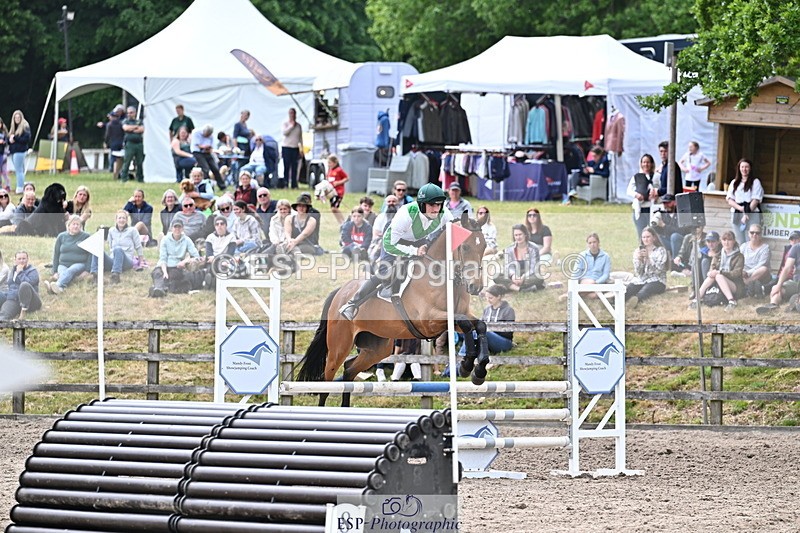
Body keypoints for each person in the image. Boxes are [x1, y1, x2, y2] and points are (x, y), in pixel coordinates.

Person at [339, 183, 452, 320]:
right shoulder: (406, 213)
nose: (436, 209)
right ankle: (352, 304)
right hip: (394, 240)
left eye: (439, 204)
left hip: (418, 239)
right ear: (422, 205)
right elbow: (390, 245)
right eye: (432, 205)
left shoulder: (444, 213)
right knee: (386, 272)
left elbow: (455, 231)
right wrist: (415, 251)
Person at [458, 284, 516, 356]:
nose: (488, 300)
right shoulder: (487, 309)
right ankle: (464, 354)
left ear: (499, 297)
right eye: (487, 297)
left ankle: (463, 355)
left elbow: (508, 331)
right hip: (487, 339)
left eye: (490, 298)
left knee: (484, 332)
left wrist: (490, 331)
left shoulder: (508, 310)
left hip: (504, 341)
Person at [691, 231, 743, 311]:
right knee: (712, 276)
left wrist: (720, 273)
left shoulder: (739, 256)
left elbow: (736, 273)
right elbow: (712, 268)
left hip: (735, 285)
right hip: (718, 282)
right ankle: (697, 299)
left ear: (733, 241)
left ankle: (732, 301)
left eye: (729, 240)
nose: (726, 242)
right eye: (724, 240)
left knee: (719, 276)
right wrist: (711, 273)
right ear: (721, 241)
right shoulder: (718, 255)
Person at [149, 220, 202, 298]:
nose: (177, 229)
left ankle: (158, 289)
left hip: (176, 266)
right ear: (171, 228)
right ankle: (159, 289)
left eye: (179, 227)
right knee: (157, 273)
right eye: (175, 227)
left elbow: (196, 255)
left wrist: (185, 261)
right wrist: (165, 272)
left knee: (173, 276)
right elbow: (163, 258)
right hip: (163, 265)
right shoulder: (165, 239)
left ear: (182, 229)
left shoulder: (187, 240)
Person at [90, 210, 146, 285]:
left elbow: (138, 247)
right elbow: (110, 246)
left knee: (118, 249)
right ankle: (95, 275)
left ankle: (115, 275)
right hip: (113, 259)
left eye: (123, 218)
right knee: (97, 250)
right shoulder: (111, 230)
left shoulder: (132, 230)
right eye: (119, 218)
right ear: (116, 220)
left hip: (126, 261)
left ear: (127, 220)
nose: (121, 220)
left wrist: (141, 262)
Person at [624, 227, 668, 309]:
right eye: (644, 237)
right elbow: (638, 273)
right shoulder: (638, 251)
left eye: (648, 237)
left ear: (654, 238)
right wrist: (639, 261)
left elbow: (659, 270)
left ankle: (635, 301)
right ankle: (613, 303)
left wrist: (648, 259)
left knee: (646, 290)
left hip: (657, 280)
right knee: (629, 288)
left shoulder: (660, 250)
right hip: (642, 279)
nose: (646, 239)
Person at [45, 215, 91, 295]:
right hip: (63, 264)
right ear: (68, 226)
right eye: (73, 224)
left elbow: (91, 254)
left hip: (79, 264)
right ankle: (59, 289)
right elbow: (56, 254)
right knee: (63, 273)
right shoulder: (61, 236)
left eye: (78, 224)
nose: (76, 226)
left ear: (81, 226)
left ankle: (57, 285)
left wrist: (87, 270)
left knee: (70, 270)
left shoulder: (86, 236)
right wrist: (55, 271)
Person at [561, 233, 611, 301]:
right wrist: (573, 284)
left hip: (598, 282)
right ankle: (576, 293)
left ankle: (573, 294)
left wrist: (596, 282)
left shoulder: (606, 256)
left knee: (594, 295)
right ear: (587, 244)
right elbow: (576, 272)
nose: (592, 245)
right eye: (590, 243)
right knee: (592, 292)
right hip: (585, 280)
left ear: (598, 243)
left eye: (594, 242)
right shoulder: (582, 255)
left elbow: (606, 274)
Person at [494, 224, 543, 292]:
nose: (518, 237)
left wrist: (523, 277)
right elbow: (508, 266)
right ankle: (520, 289)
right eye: (516, 235)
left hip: (529, 275)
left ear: (525, 234)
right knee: (496, 276)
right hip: (515, 274)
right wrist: (513, 276)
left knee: (539, 278)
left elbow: (534, 268)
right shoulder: (509, 249)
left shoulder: (534, 248)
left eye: (520, 234)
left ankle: (510, 286)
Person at [759, 234, 800, 315]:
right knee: (777, 288)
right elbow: (787, 268)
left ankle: (795, 302)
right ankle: (772, 306)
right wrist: (778, 285)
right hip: (796, 282)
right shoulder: (796, 248)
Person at [726, 158, 763, 244]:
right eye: (742, 167)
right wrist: (740, 208)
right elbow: (730, 199)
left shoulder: (755, 182)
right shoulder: (734, 182)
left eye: (746, 167)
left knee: (751, 240)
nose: (744, 169)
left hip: (752, 213)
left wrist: (746, 214)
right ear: (739, 168)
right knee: (740, 240)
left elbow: (756, 200)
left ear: (750, 168)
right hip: (737, 213)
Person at [627, 153, 660, 238]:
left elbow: (661, 189)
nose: (646, 164)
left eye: (648, 162)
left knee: (654, 232)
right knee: (641, 233)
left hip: (652, 208)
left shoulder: (657, 176)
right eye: (644, 162)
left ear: (651, 164)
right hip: (640, 208)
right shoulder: (637, 177)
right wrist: (636, 195)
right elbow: (629, 190)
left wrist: (656, 193)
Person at [0, 251, 41, 319]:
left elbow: (28, 284)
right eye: (19, 259)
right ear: (15, 260)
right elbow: (11, 286)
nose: (21, 261)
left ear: (27, 259)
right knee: (3, 315)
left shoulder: (32, 271)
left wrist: (20, 272)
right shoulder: (13, 271)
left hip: (31, 301)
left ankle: (23, 311)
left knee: (24, 285)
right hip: (14, 299)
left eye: (24, 258)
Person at [740, 224, 771, 299]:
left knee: (764, 269)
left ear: (761, 235)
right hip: (744, 273)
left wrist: (748, 273)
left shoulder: (765, 248)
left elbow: (761, 264)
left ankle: (746, 285)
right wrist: (742, 271)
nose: (754, 235)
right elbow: (739, 261)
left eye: (757, 233)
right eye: (752, 232)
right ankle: (750, 287)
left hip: (758, 274)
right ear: (748, 233)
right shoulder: (743, 246)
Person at [192, 124, 225, 189]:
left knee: (215, 168)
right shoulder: (196, 133)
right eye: (206, 135)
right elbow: (196, 145)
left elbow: (212, 146)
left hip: (207, 152)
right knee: (205, 168)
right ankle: (207, 186)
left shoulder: (211, 136)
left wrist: (209, 148)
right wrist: (204, 147)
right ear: (204, 131)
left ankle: (222, 186)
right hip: (198, 152)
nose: (207, 136)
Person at [119, 107, 145, 183]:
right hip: (129, 144)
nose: (129, 114)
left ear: (135, 113)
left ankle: (140, 178)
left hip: (139, 144)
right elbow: (126, 128)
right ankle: (124, 178)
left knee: (139, 162)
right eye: (128, 113)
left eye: (131, 112)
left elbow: (142, 129)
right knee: (127, 161)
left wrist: (132, 129)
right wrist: (135, 127)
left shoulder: (139, 121)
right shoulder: (126, 121)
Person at [8, 110, 31, 194]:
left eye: (18, 117)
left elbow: (26, 139)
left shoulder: (25, 127)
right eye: (15, 117)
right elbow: (9, 138)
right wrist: (9, 140)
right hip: (13, 151)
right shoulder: (13, 128)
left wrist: (15, 138)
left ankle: (20, 188)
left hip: (20, 151)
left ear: (21, 118)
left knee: (19, 170)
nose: (17, 119)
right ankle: (21, 184)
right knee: (19, 169)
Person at [281, 108, 303, 189]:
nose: (292, 115)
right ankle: (286, 183)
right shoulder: (285, 124)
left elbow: (300, 138)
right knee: (286, 166)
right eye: (290, 113)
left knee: (294, 167)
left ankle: (294, 184)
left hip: (295, 147)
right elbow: (285, 133)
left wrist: (301, 149)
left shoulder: (298, 126)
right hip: (286, 147)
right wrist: (291, 126)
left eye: (293, 113)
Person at [326, 154, 349, 225]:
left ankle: (344, 222)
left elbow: (347, 178)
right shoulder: (330, 171)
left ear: (335, 163)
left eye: (330, 163)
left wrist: (338, 182)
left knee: (334, 208)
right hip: (332, 192)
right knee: (333, 209)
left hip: (338, 192)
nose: (329, 164)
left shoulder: (339, 170)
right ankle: (341, 223)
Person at [104, 105, 125, 177]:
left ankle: (112, 169)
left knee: (112, 157)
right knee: (120, 157)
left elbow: (107, 135)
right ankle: (119, 170)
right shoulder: (121, 124)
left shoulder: (109, 125)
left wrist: (105, 142)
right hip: (120, 142)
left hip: (113, 143)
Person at [0, 117, 9, 191]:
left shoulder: (4, 132)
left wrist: (3, 142)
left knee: (4, 170)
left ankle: (7, 185)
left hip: (2, 153)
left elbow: (7, 142)